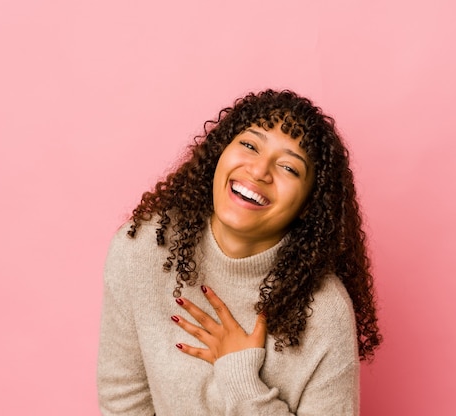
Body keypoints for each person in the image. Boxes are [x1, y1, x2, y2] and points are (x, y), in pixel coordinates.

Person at [97, 89, 382, 415]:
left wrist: (240, 376)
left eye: (289, 167)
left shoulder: (325, 315)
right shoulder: (143, 250)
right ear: (220, 153)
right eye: (249, 145)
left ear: (308, 205)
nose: (260, 171)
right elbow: (123, 400)